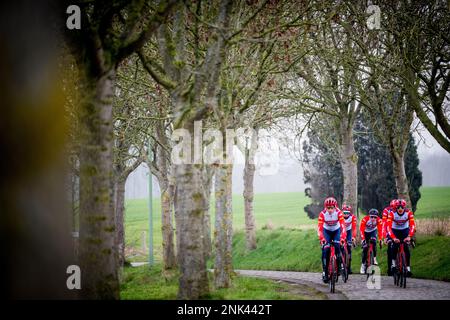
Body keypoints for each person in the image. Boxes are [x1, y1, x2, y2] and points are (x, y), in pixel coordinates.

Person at [317, 197, 347, 283]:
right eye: (328, 208)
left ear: (335, 207)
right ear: (325, 207)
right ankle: (325, 272)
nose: (330, 210)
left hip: (336, 230)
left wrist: (342, 237)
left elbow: (343, 226)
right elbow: (319, 228)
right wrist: (322, 238)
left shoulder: (339, 213)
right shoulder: (322, 214)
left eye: (332, 208)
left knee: (338, 246)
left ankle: (340, 265)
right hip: (326, 231)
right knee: (325, 250)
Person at [386, 199, 416, 277]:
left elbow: (412, 225)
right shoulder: (392, 213)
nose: (400, 209)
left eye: (402, 207)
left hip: (405, 230)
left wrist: (409, 236)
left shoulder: (408, 213)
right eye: (398, 207)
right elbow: (388, 227)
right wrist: (393, 238)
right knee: (395, 246)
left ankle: (408, 268)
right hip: (395, 230)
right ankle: (393, 264)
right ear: (396, 208)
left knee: (406, 248)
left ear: (404, 207)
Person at [359, 208, 383, 274]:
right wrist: (363, 239)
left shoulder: (379, 220)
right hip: (365, 232)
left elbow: (380, 230)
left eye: (375, 217)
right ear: (369, 216)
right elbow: (361, 230)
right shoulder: (365, 219)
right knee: (365, 248)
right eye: (371, 217)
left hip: (373, 231)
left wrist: (380, 239)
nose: (373, 219)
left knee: (374, 243)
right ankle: (363, 265)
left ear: (377, 217)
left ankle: (374, 258)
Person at [382, 199, 396, 275]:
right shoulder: (386, 210)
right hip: (389, 229)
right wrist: (385, 236)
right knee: (390, 249)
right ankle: (390, 268)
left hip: (398, 229)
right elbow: (384, 223)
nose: (393, 209)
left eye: (395, 207)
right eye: (392, 207)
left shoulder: (400, 210)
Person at [342, 204, 357, 274]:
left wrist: (353, 237)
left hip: (348, 232)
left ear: (350, 213)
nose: (346, 215)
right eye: (344, 213)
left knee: (349, 247)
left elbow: (354, 228)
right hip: (341, 232)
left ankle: (349, 267)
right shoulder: (340, 217)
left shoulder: (352, 217)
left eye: (347, 213)